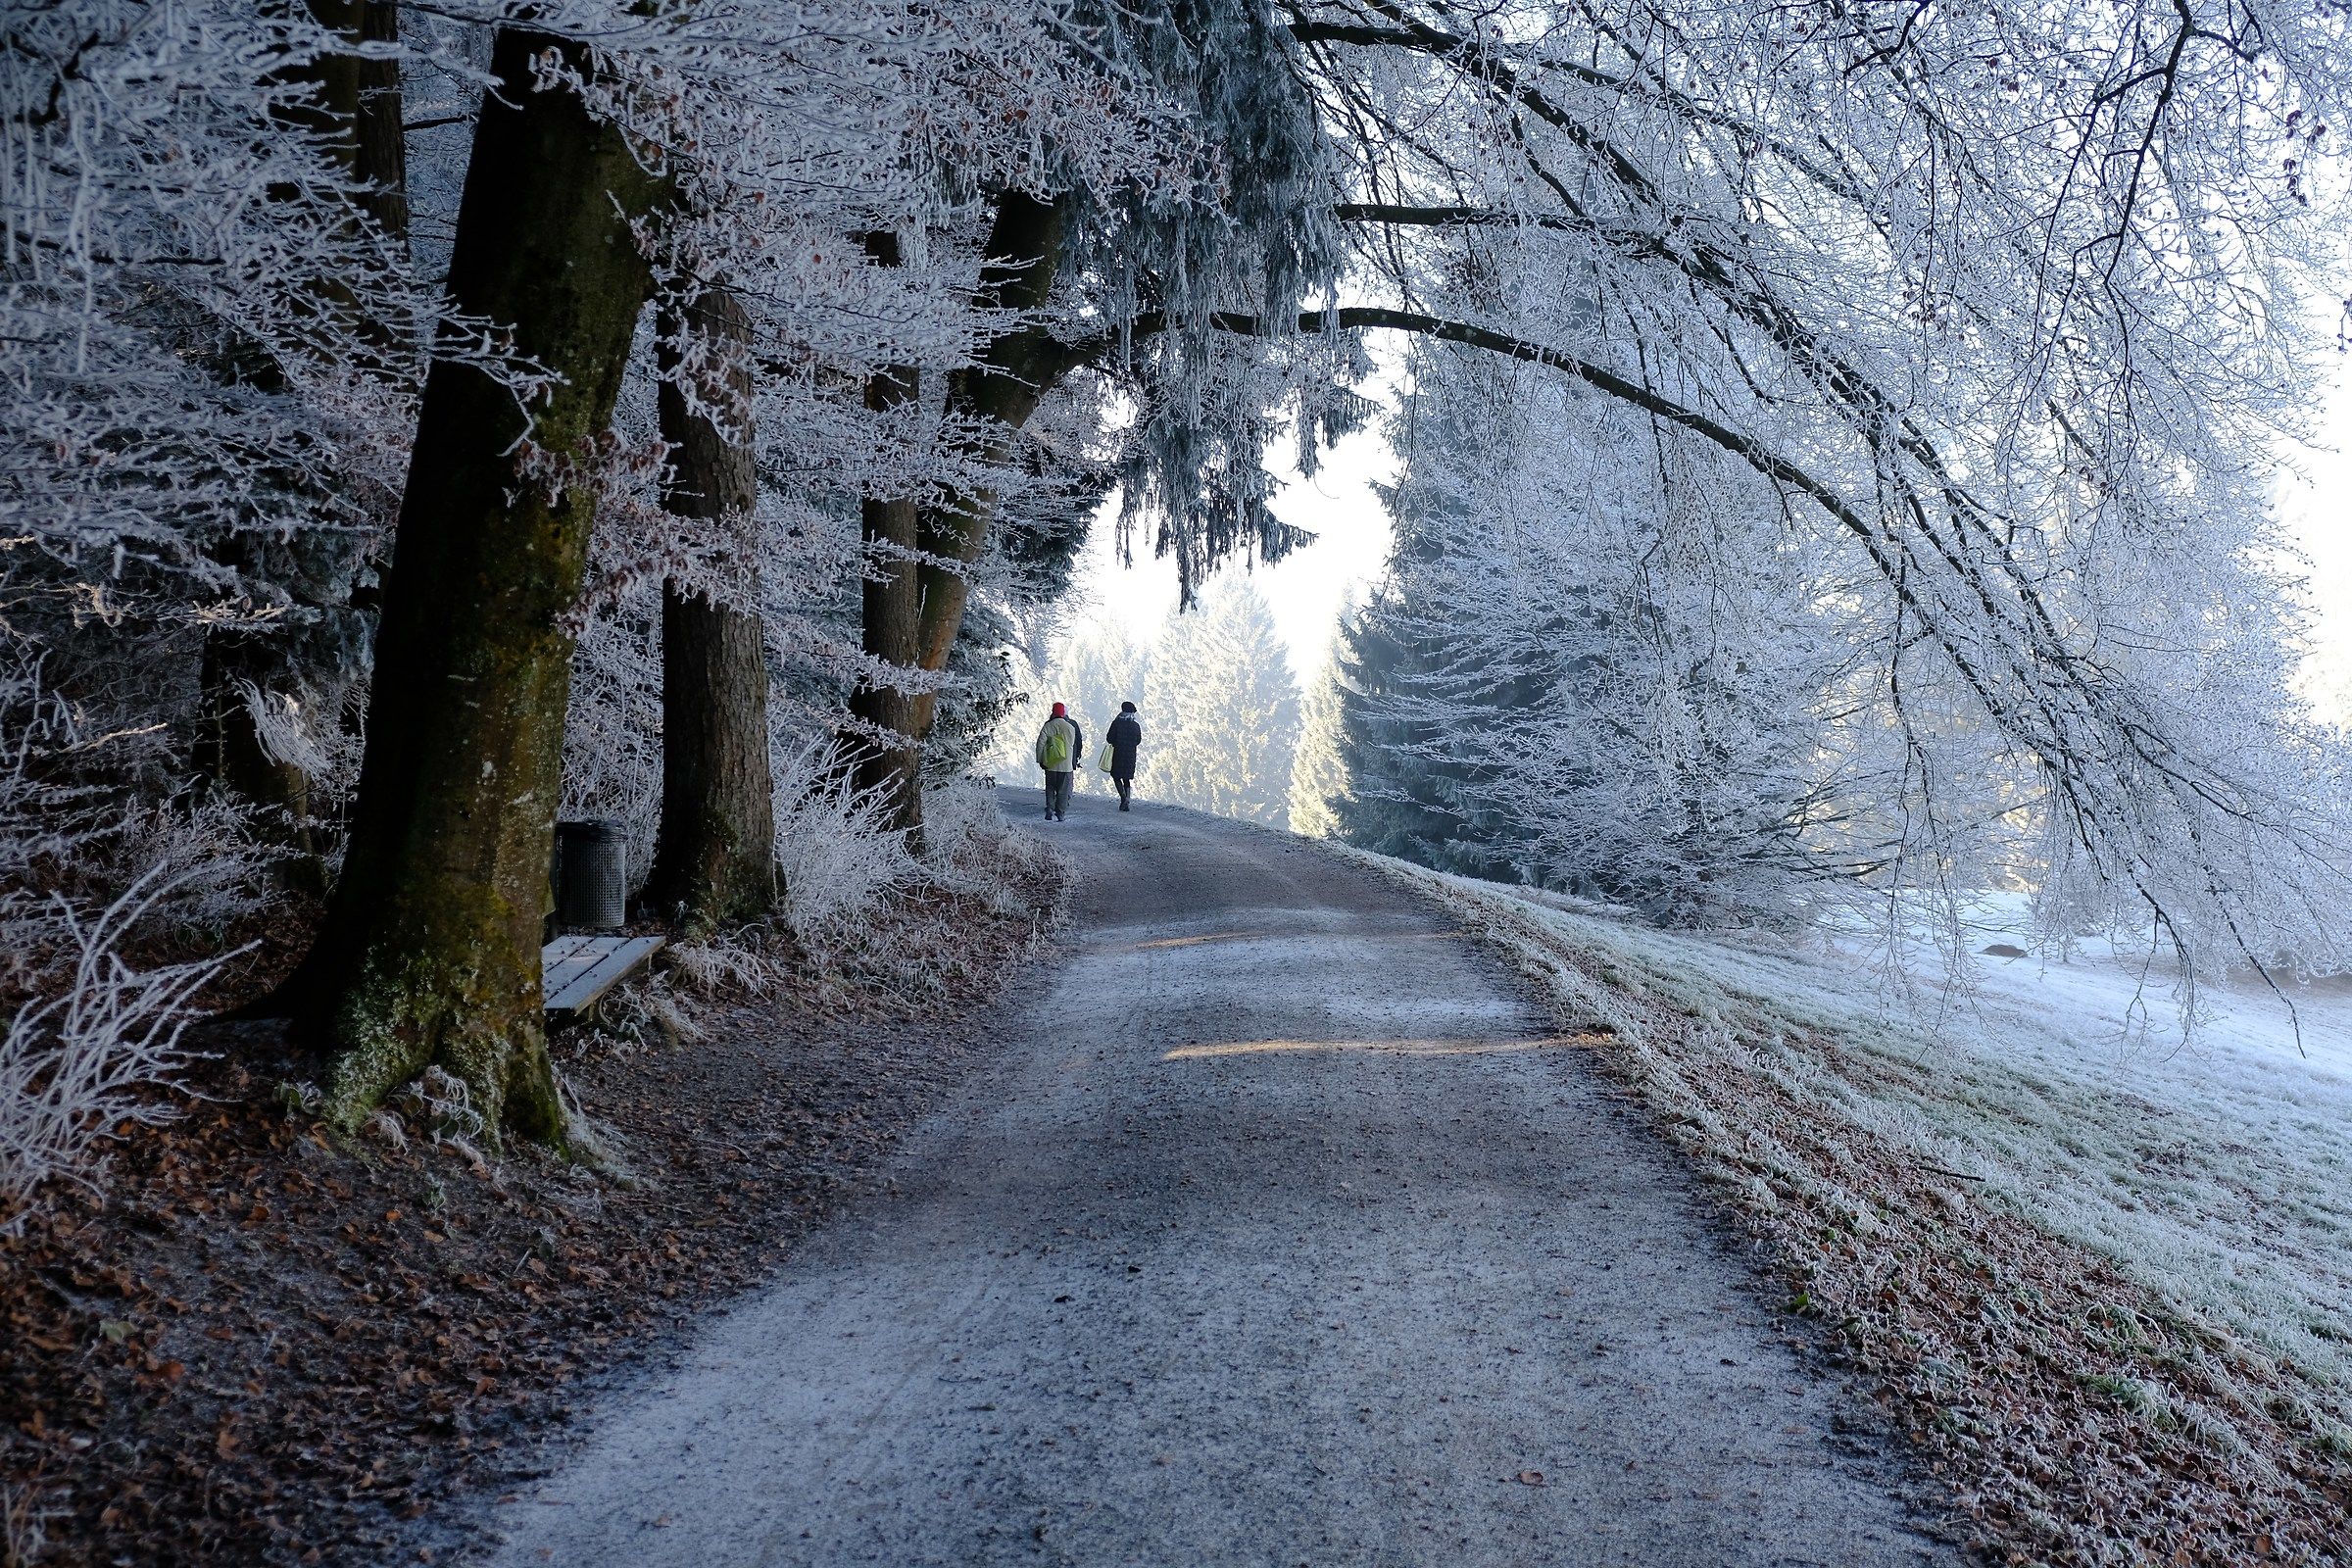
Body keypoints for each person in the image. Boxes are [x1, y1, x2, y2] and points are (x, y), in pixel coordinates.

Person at [1033, 701, 1082, 821]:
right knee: (1063, 790)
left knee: (1050, 787)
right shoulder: (1070, 727)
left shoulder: (1047, 726)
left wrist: (1040, 760)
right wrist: (1075, 759)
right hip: (1066, 765)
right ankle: (1060, 813)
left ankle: (1050, 807)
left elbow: (1040, 744)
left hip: (1050, 763)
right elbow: (1073, 744)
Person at [1104, 701, 1143, 810]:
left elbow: (1109, 738)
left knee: (1116, 776)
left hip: (1118, 754)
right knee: (1126, 778)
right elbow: (1138, 740)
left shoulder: (1116, 723)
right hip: (1130, 755)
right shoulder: (1135, 725)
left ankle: (1123, 798)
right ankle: (1127, 800)